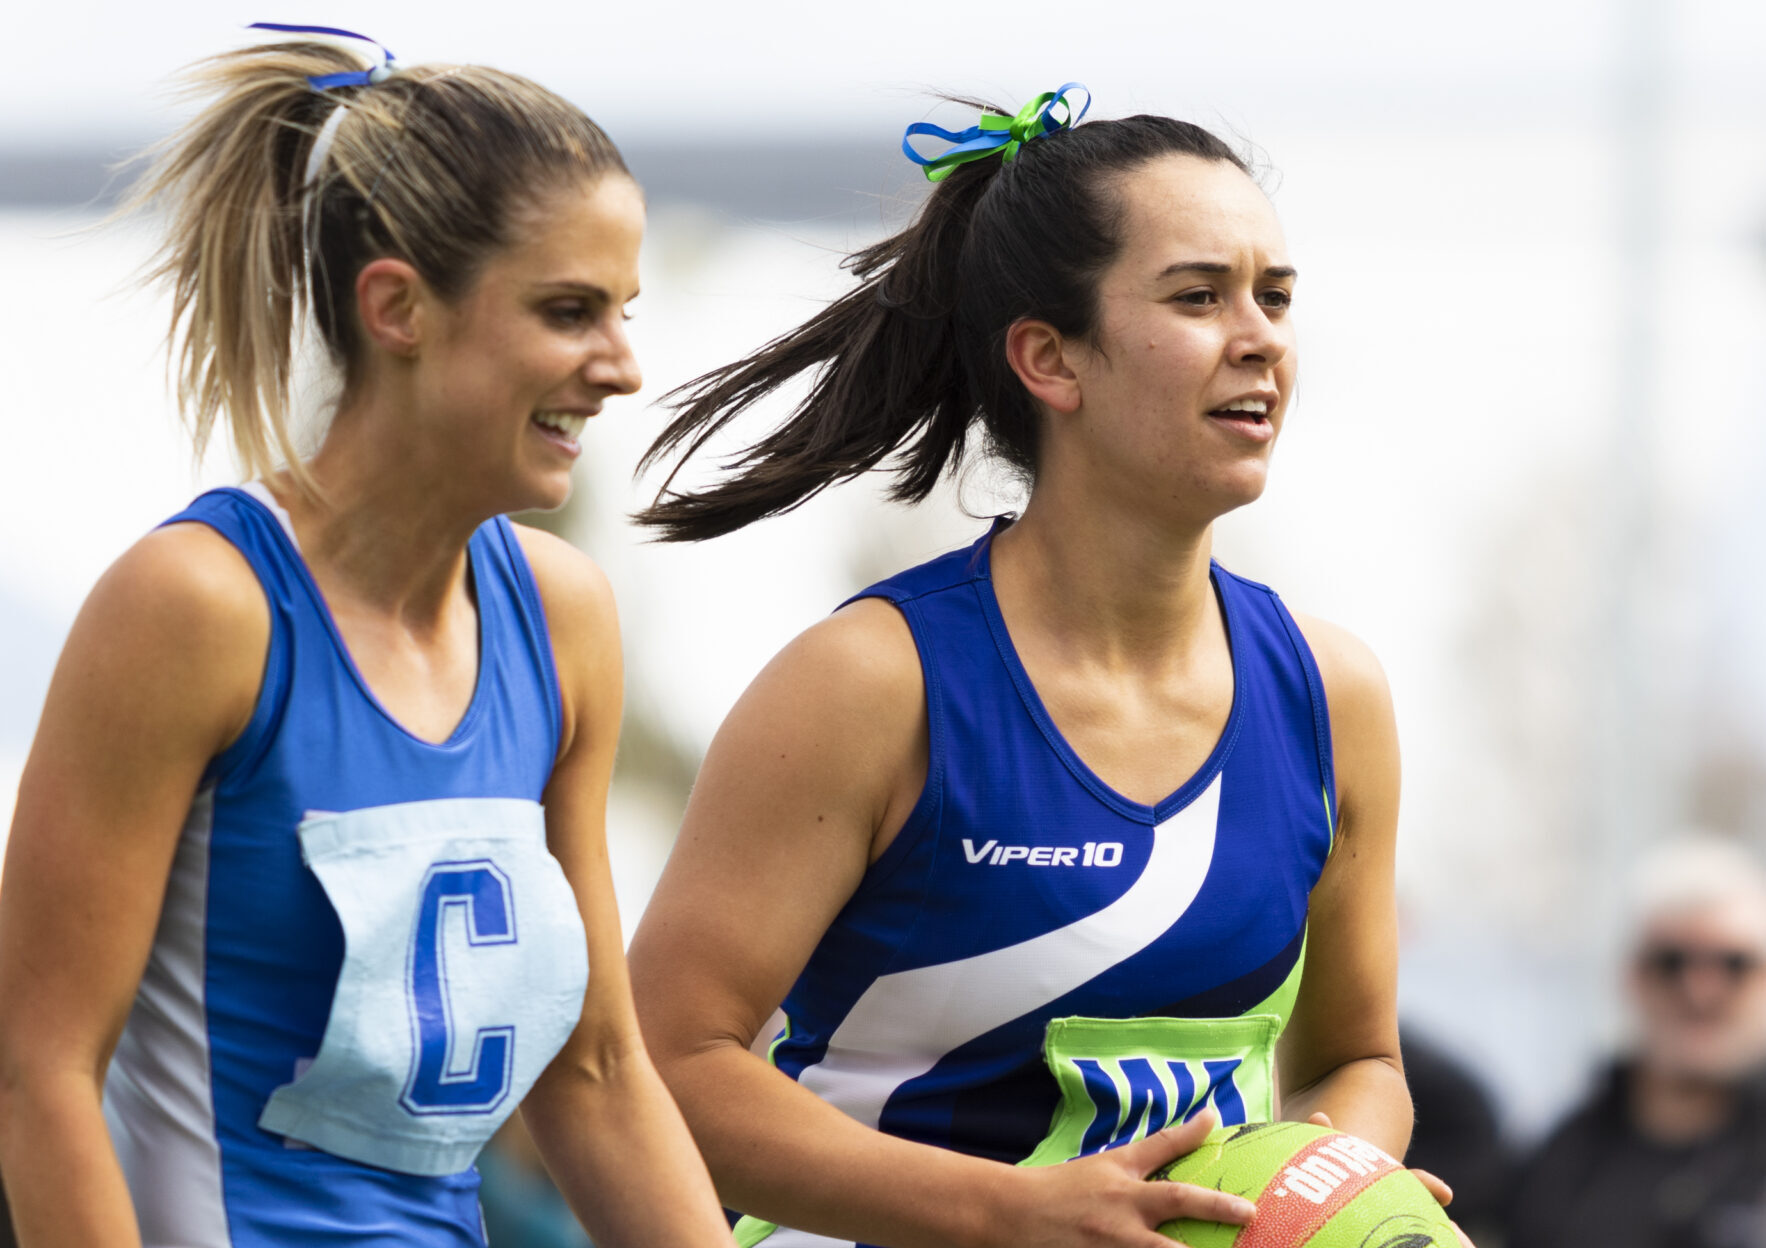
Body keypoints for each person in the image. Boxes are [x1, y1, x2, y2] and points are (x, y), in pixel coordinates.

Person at [626, 88, 1439, 1248]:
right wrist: (1006, 1212)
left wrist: (1327, 1186)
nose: (1257, 335)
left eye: (1274, 297)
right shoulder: (870, 684)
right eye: (1198, 296)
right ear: (1049, 360)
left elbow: (1354, 1059)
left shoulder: (1330, 697)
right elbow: (658, 1061)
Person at [0, 29, 731, 1248]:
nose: (619, 367)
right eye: (569, 311)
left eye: (624, 310)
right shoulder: (198, 607)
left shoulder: (562, 620)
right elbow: (42, 1077)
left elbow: (595, 1076)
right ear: (396, 307)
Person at [1507, 837, 1766, 1248]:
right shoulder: (1561, 1161)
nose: (1699, 990)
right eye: (1671, 962)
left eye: (1734, 965)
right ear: (1631, 977)